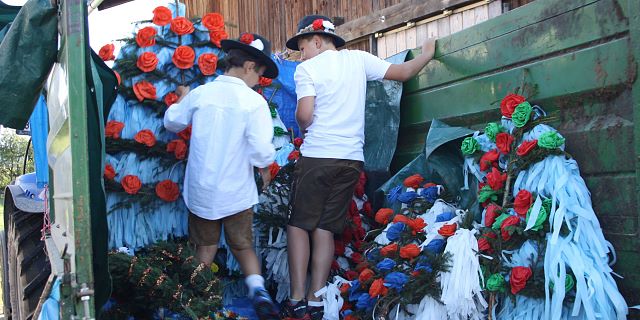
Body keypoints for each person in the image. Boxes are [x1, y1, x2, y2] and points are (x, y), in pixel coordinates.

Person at [281, 15, 437, 320]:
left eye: (302, 47)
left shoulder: (307, 70)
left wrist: (302, 124)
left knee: (298, 224)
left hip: (318, 156)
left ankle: (297, 297)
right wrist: (427, 53)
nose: (301, 55)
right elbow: (404, 72)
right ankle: (316, 300)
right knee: (325, 227)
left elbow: (305, 113)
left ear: (315, 40)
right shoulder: (359, 59)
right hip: (351, 159)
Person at [163, 33, 280, 320]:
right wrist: (264, 165)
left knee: (205, 247)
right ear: (250, 66)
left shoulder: (202, 93)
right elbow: (262, 150)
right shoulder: (254, 103)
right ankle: (259, 292)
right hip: (237, 191)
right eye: (261, 74)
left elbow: (173, 122)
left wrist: (182, 98)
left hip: (201, 190)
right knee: (242, 245)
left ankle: (199, 300)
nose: (260, 81)